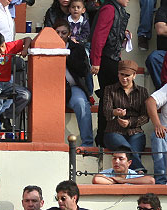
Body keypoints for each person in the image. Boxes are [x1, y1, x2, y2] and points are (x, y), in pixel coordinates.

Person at [90, 0, 131, 146]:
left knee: (110, 97)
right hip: (106, 59)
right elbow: (99, 37)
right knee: (109, 97)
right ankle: (103, 136)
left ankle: (106, 135)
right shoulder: (109, 9)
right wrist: (96, 61)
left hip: (112, 58)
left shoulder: (115, 9)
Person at [101, 60, 149, 172]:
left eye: (127, 75)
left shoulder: (142, 91)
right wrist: (115, 112)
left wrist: (130, 122)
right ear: (118, 74)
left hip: (135, 131)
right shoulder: (110, 89)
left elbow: (145, 116)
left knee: (132, 150)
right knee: (127, 149)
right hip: (113, 131)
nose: (124, 78)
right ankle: (139, 170)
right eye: (122, 74)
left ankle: (134, 174)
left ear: (134, 75)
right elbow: (106, 111)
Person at [54, 20, 93, 147]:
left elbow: (84, 70)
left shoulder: (77, 48)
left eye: (64, 33)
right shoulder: (47, 48)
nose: (60, 35)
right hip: (54, 89)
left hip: (73, 86)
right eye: (57, 32)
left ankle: (87, 143)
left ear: (69, 34)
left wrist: (67, 58)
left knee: (81, 104)